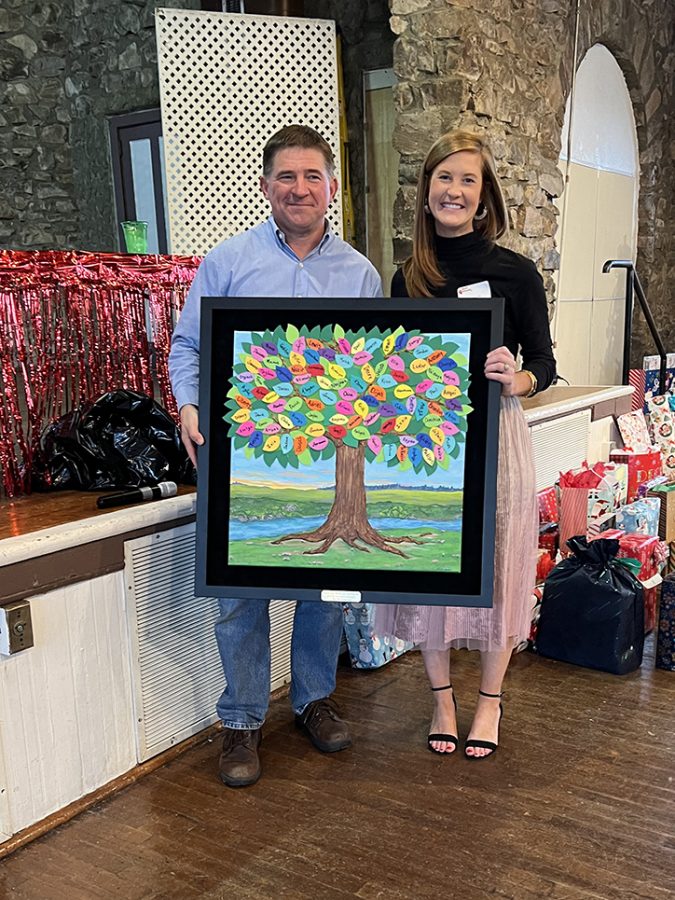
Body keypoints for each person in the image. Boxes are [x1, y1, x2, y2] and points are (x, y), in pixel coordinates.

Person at [169, 124, 383, 787]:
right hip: (241, 458)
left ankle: (314, 699)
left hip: (331, 460)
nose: (298, 188)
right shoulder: (227, 262)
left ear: (331, 188)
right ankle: (240, 721)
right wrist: (187, 406)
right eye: (285, 177)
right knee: (240, 598)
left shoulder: (360, 274)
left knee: (326, 591)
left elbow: (373, 370)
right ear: (265, 187)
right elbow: (187, 347)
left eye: (310, 176)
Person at [376, 129, 556, 759]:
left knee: (501, 564)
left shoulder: (516, 273)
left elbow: (545, 363)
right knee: (431, 565)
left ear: (484, 199)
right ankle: (442, 700)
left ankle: (490, 703)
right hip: (429, 442)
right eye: (443, 178)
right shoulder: (407, 277)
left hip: (497, 435)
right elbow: (391, 365)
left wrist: (521, 377)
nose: (454, 190)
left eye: (467, 180)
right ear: (426, 194)